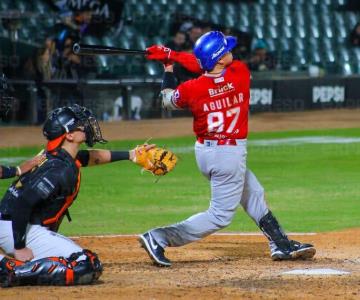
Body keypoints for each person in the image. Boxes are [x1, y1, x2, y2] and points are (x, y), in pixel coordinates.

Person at [139, 31, 316, 267]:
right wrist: (174, 56)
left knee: (253, 192)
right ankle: (158, 237)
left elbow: (168, 99)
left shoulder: (193, 87)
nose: (231, 50)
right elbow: (201, 62)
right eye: (226, 49)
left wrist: (169, 65)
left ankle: (280, 243)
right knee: (220, 216)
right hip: (228, 155)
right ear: (220, 59)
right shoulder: (239, 73)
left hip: (206, 152)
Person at [0, 104, 153, 286]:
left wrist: (131, 155)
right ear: (69, 135)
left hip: (11, 224)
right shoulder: (58, 169)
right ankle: (12, 271)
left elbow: (88, 157)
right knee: (85, 265)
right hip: (17, 228)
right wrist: (20, 248)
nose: (87, 126)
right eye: (80, 125)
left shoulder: (57, 156)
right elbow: (23, 203)